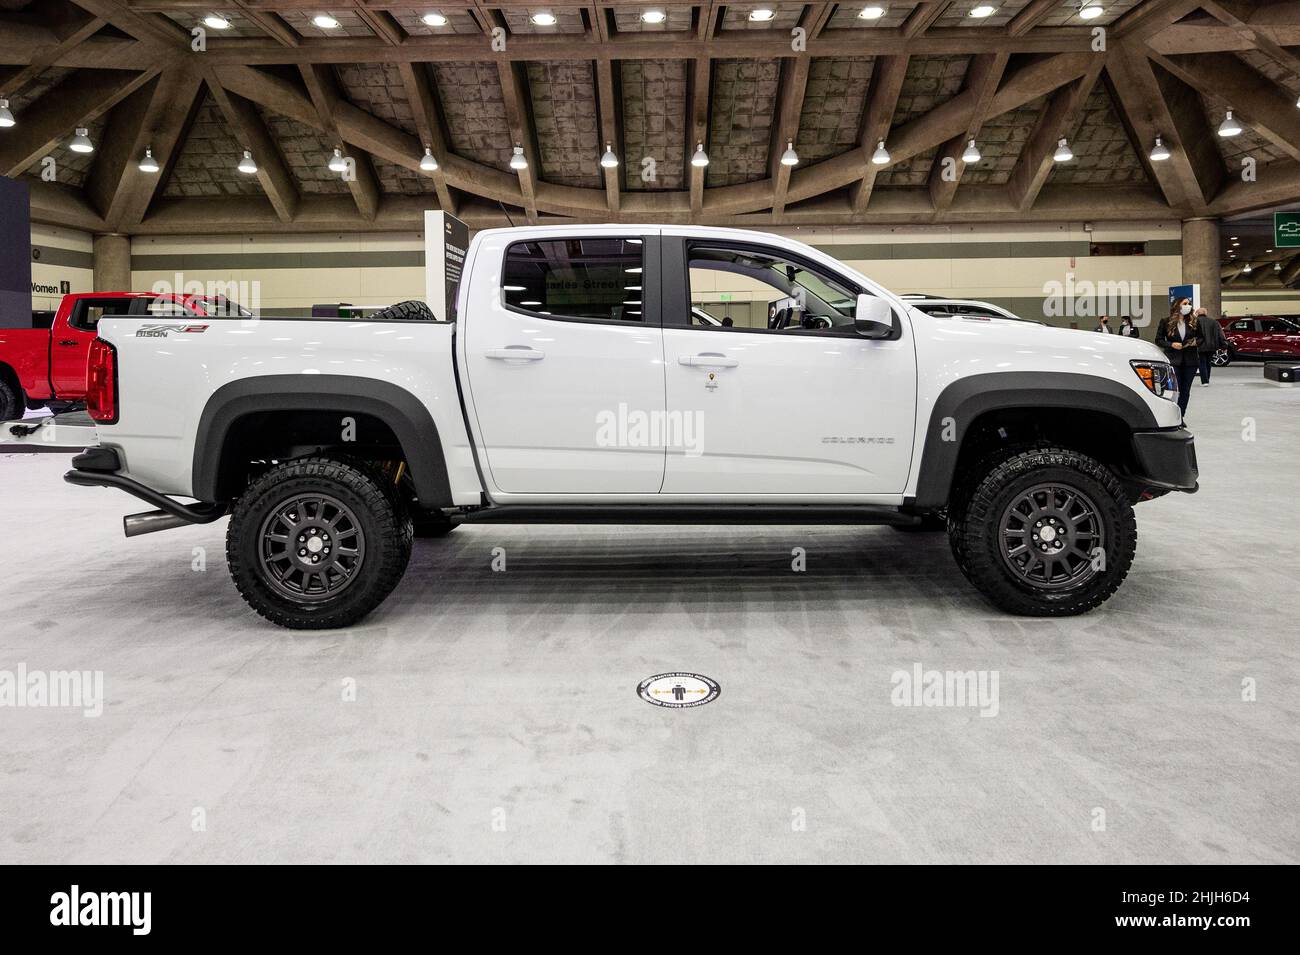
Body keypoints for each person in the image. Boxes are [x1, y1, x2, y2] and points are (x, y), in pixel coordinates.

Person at [1155, 297, 1199, 416]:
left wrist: (1195, 342)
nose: (1188, 306)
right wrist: (1171, 344)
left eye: (1189, 304)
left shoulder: (1194, 321)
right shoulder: (1165, 321)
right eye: (1185, 303)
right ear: (1177, 305)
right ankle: (1171, 414)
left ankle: (1180, 416)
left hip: (1191, 361)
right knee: (1175, 390)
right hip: (1173, 360)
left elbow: (1202, 338)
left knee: (1185, 391)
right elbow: (1158, 340)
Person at [1195, 307, 1227, 385]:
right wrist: (1224, 346)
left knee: (1202, 362)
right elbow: (1220, 334)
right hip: (1212, 346)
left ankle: (1204, 381)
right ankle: (1207, 379)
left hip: (1199, 346)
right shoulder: (1214, 322)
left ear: (1198, 313)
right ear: (1206, 313)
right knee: (1208, 363)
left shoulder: (1195, 322)